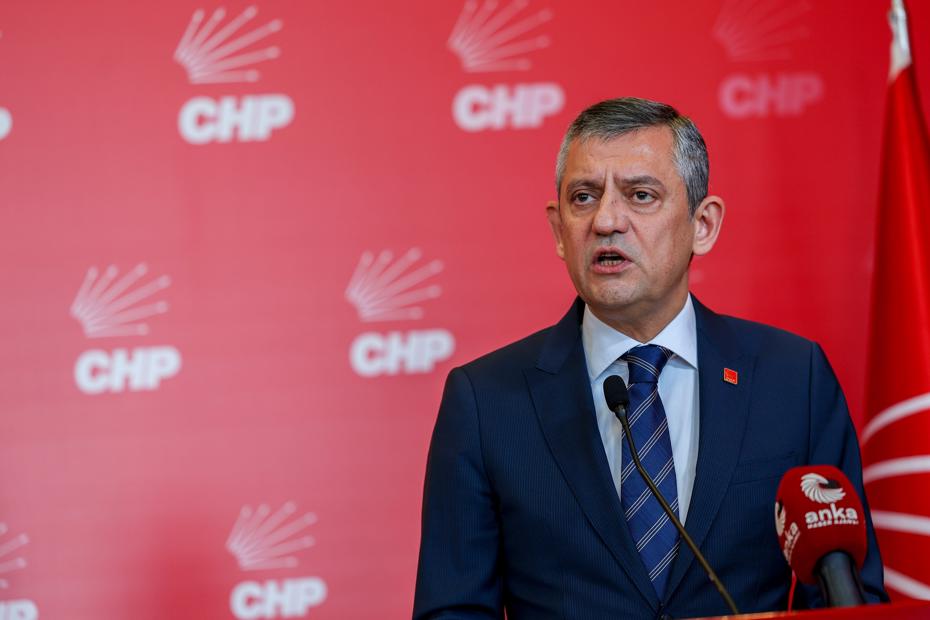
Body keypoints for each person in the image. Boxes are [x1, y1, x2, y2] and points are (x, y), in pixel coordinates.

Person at [413, 97, 887, 619]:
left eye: (641, 195)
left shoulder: (793, 380)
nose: (606, 221)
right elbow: (453, 611)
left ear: (703, 224)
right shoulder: (486, 403)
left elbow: (847, 601)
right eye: (584, 197)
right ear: (558, 230)